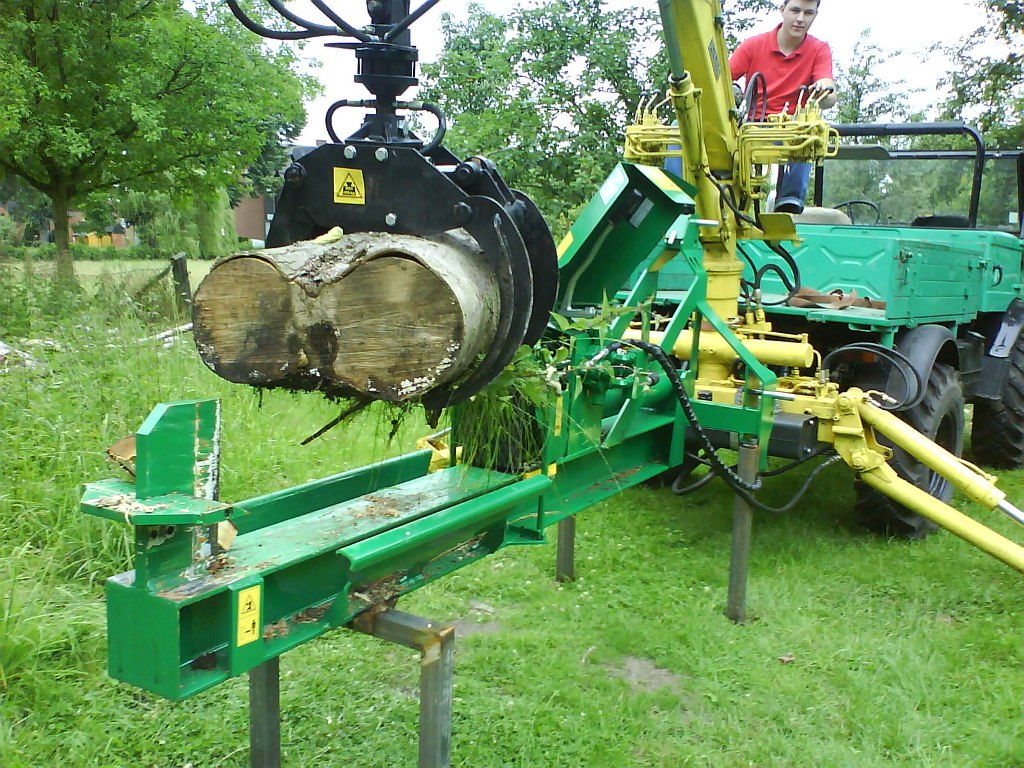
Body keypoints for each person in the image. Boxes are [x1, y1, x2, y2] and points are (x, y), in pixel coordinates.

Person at [729, 0, 837, 214]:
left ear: (815, 15)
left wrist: (823, 90)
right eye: (795, 10)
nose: (800, 19)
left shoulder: (818, 49)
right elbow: (719, 82)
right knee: (682, 126)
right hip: (751, 128)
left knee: (807, 133)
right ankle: (684, 191)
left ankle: (788, 202)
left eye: (808, 13)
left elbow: (828, 92)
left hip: (789, 130)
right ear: (782, 10)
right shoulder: (754, 45)